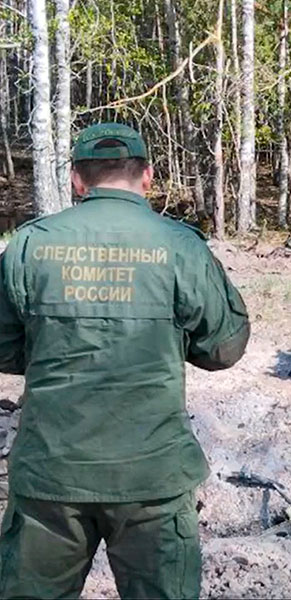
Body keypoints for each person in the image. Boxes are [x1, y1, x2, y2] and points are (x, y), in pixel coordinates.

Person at [0, 123, 250, 599]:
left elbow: (3, 344)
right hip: (151, 479)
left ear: (76, 180)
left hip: (51, 477)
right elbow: (224, 346)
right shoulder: (179, 247)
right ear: (148, 176)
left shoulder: (30, 245)